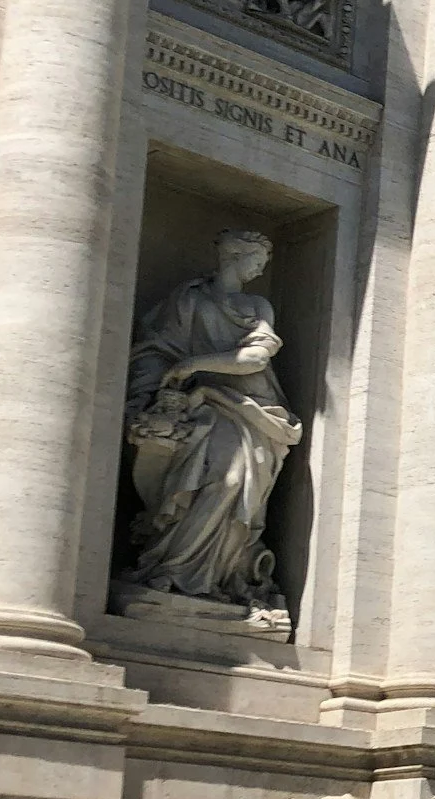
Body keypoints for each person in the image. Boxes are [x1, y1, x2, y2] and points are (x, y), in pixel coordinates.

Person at [120, 230, 303, 624]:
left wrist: (196, 364)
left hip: (252, 411)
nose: (259, 268)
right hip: (198, 405)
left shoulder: (256, 304)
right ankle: (170, 570)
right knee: (203, 482)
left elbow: (256, 359)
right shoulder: (188, 300)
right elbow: (157, 348)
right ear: (234, 256)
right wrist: (153, 393)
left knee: (234, 481)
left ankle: (215, 576)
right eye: (255, 259)